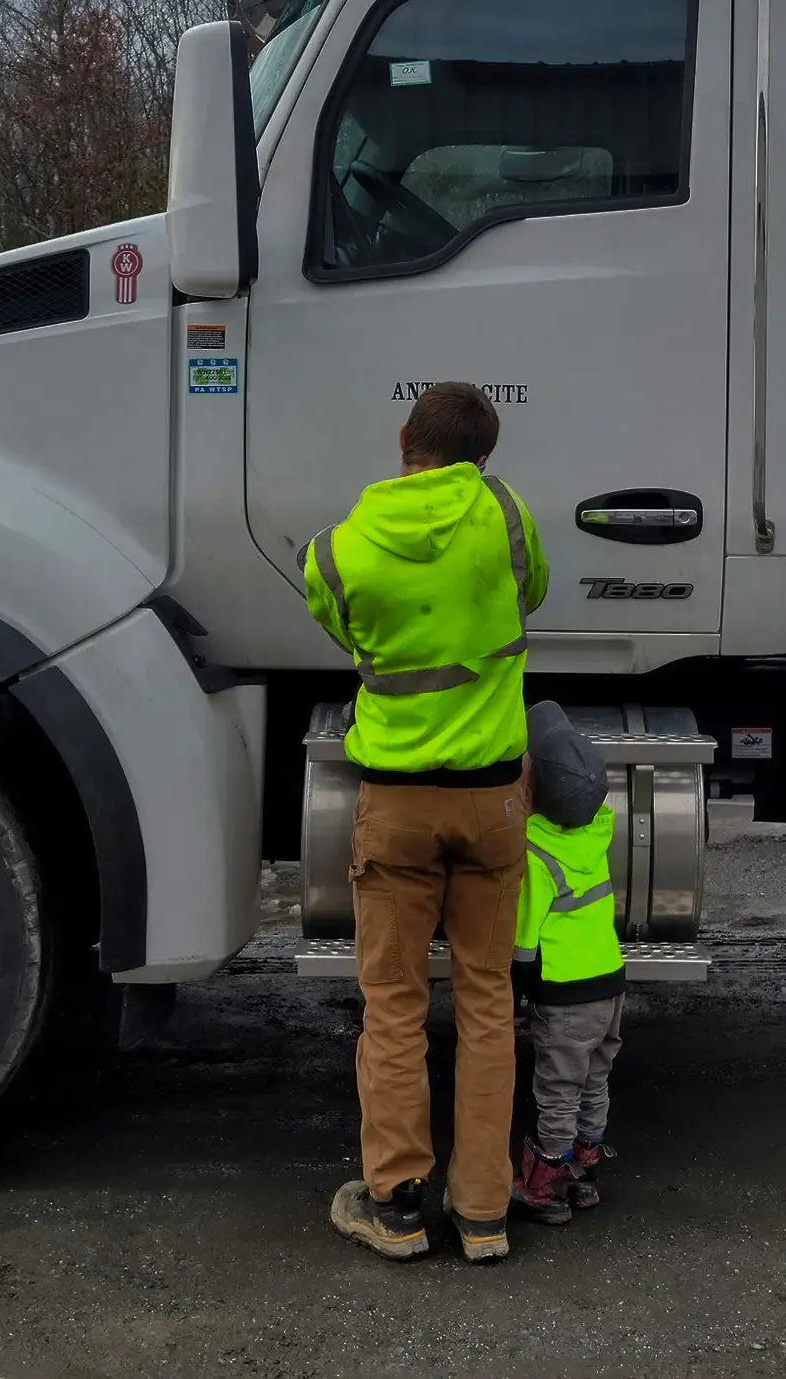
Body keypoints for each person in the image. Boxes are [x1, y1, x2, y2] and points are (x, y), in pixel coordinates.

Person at [305, 382, 547, 1264]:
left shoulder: (337, 550)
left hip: (397, 807)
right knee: (489, 1000)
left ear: (403, 436)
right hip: (492, 801)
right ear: (484, 456)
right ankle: (483, 1213)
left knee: (395, 1004)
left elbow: (339, 626)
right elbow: (534, 592)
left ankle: (395, 1207)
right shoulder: (506, 516)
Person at [510, 700, 625, 1226]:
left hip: (566, 995)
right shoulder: (597, 830)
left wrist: (516, 993)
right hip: (610, 986)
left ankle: (542, 1189)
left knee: (557, 1090)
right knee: (594, 1082)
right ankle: (583, 1176)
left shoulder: (536, 853)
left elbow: (525, 943)